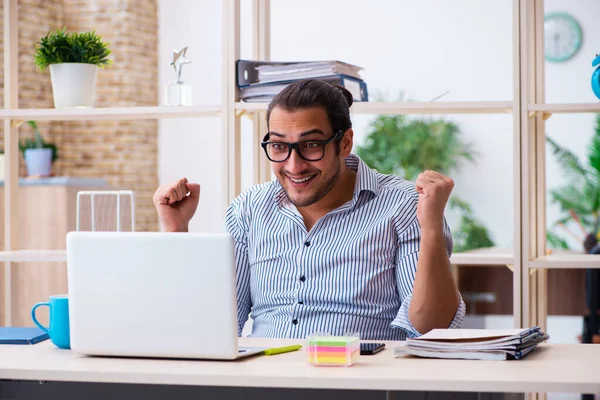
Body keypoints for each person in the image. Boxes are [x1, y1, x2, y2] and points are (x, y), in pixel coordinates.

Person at [153, 79, 465, 340]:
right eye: (278, 146)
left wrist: (432, 228)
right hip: (261, 381)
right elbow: (212, 330)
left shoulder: (404, 205)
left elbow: (430, 328)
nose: (293, 165)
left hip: (359, 380)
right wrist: (177, 232)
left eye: (311, 145)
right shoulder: (248, 210)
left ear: (344, 143)